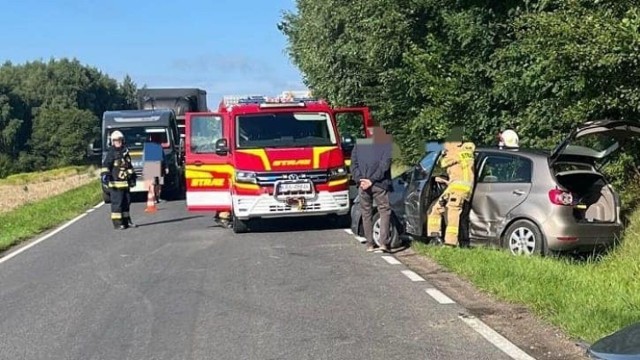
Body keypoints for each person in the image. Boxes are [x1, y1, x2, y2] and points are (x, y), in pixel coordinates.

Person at [427, 126, 476, 247]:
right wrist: (443, 179)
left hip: (459, 189)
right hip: (454, 187)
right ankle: (435, 237)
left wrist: (444, 154)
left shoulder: (463, 150)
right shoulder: (465, 150)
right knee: (436, 208)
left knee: (452, 213)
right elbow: (457, 171)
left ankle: (450, 243)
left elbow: (444, 163)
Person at [351, 126, 393, 252]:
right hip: (379, 184)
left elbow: (353, 165)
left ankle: (369, 244)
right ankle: (383, 243)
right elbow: (384, 166)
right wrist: (372, 180)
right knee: (384, 211)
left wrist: (360, 180)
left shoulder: (359, 145)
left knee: (366, 213)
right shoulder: (385, 145)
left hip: (363, 185)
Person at [101, 130, 137, 230]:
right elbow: (106, 165)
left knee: (126, 202)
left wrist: (133, 177)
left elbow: (129, 166)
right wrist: (105, 175)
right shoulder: (111, 153)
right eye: (116, 140)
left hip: (125, 183)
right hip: (115, 184)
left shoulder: (125, 152)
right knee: (117, 204)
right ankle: (117, 223)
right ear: (112, 141)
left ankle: (126, 221)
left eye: (120, 140)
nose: (118, 142)